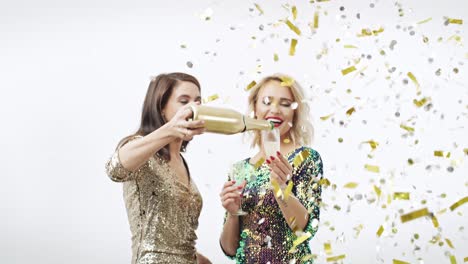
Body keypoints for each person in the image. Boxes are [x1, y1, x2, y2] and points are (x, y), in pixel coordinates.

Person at [105, 72, 211, 264]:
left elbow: (179, 244)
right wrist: (170, 130)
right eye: (184, 101)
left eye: (198, 101)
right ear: (161, 108)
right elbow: (114, 169)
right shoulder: (141, 148)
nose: (194, 108)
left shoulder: (181, 161)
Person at [219, 74, 324, 263]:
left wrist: (281, 188)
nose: (274, 109)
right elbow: (230, 249)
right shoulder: (239, 169)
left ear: (294, 112)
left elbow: (303, 230)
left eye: (285, 103)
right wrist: (233, 214)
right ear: (255, 109)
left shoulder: (305, 158)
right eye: (267, 102)